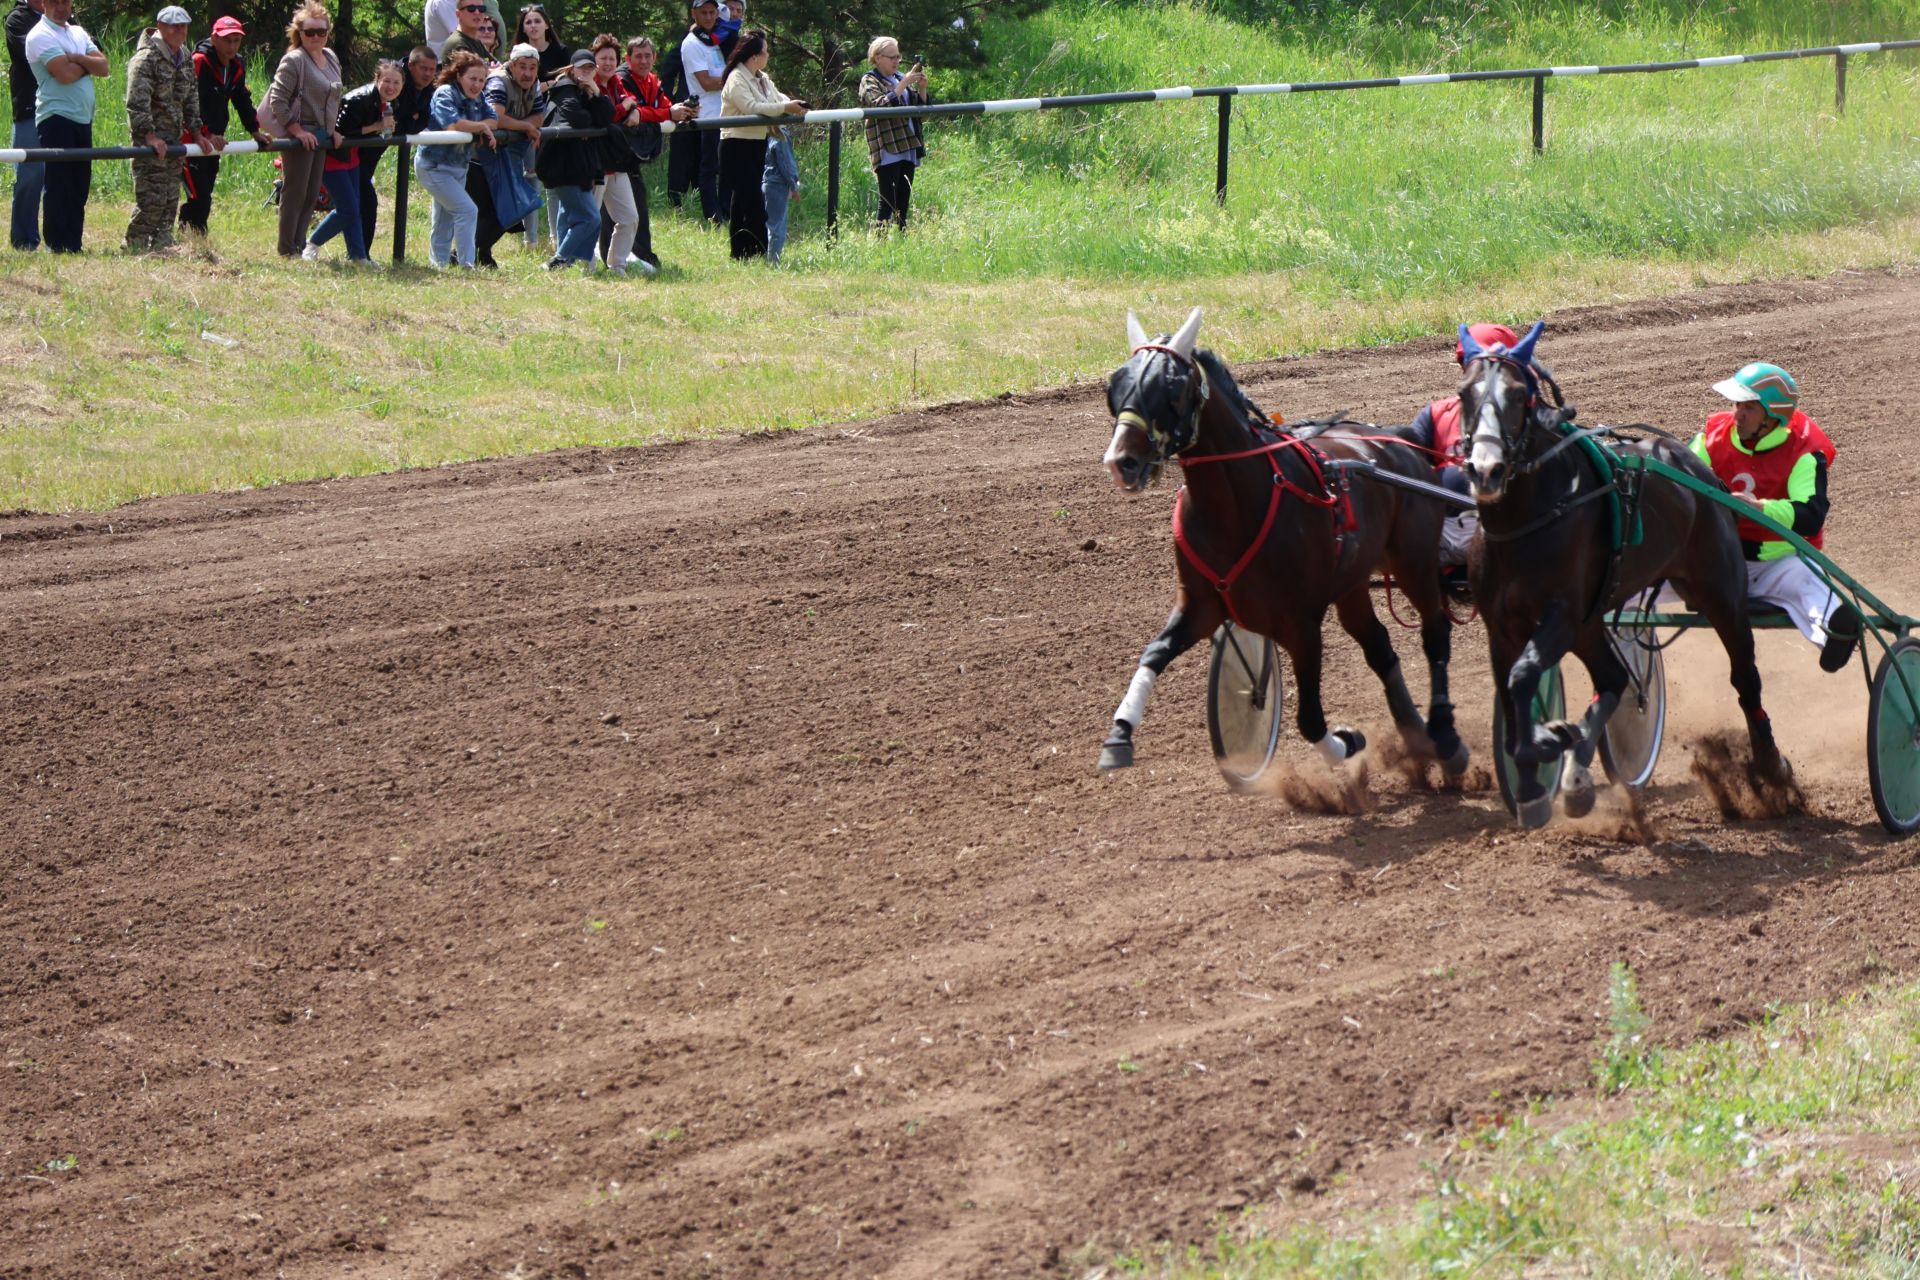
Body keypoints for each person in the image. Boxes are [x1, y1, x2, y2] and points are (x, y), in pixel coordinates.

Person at [1691, 363, 1860, 672]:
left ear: (1772, 416)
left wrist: (1761, 509)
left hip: (1779, 564)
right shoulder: (1712, 437)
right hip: (1718, 563)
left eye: (1749, 408)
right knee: (1639, 578)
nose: (1737, 414)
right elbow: (1681, 480)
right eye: (1736, 404)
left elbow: (1811, 515)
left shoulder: (1805, 451)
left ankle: (1835, 629)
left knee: (1806, 582)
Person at [1402, 322, 1519, 598]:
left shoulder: (1525, 415)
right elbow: (1408, 459)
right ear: (1464, 366)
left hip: (1505, 540)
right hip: (1441, 539)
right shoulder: (1436, 414)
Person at [123, 5, 216, 251]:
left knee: (169, 200)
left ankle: (162, 247)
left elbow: (190, 99)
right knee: (151, 200)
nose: (180, 31)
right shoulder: (146, 59)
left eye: (184, 26)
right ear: (161, 26)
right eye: (174, 26)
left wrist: (196, 132)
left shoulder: (184, 56)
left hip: (174, 141)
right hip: (150, 142)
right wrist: (148, 135)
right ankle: (135, 246)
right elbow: (136, 102)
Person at [24, 0, 107, 253]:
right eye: (54, 2)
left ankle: (74, 243)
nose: (61, 7)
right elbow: (65, 75)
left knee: (80, 183)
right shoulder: (39, 35)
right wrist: (86, 65)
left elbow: (103, 67)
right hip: (56, 116)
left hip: (83, 117)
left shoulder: (77, 32)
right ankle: (57, 245)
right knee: (60, 183)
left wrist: (78, 58)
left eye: (66, 2)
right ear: (43, 4)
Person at [717, 28, 802, 261]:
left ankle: (740, 254)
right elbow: (751, 107)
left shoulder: (761, 78)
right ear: (754, 56)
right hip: (735, 146)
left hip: (756, 144)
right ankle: (759, 253)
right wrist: (786, 108)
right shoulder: (736, 78)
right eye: (765, 52)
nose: (768, 56)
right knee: (754, 204)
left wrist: (794, 104)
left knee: (741, 204)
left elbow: (777, 97)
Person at [265, 1, 342, 258]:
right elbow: (278, 101)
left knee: (312, 195)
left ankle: (299, 245)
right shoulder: (294, 60)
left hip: (322, 135)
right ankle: (287, 249)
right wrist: (297, 131)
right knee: (295, 192)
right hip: (300, 135)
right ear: (299, 33)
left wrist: (334, 129)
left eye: (322, 31)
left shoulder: (329, 56)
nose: (317, 37)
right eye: (310, 32)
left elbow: (333, 98)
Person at [178, 15, 266, 237]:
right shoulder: (199, 62)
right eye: (228, 40)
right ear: (214, 39)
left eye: (237, 40)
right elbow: (189, 102)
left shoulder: (237, 65)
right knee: (200, 194)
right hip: (189, 138)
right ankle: (193, 238)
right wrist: (205, 133)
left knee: (205, 189)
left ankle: (191, 237)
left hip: (214, 139)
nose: (232, 46)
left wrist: (255, 130)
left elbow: (242, 100)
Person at [305, 58, 398, 263]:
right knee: (348, 209)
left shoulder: (388, 103)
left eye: (397, 83)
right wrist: (377, 126)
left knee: (355, 208)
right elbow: (342, 132)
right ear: (377, 79)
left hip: (352, 159)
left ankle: (358, 256)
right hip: (334, 158)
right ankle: (311, 244)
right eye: (387, 81)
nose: (391, 87)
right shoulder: (358, 99)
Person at [414, 48, 496, 268]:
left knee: (444, 219)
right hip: (434, 165)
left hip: (459, 166)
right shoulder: (445, 93)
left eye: (481, 80)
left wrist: (483, 127)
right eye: (472, 78)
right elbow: (452, 123)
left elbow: (494, 119)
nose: (477, 84)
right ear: (459, 76)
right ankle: (467, 264)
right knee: (467, 210)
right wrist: (480, 127)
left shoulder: (478, 98)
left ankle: (438, 264)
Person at [616, 35, 690, 270]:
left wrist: (682, 111)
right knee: (610, 213)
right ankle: (621, 257)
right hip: (610, 156)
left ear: (655, 57)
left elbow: (664, 107)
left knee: (636, 208)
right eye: (638, 56)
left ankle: (640, 255)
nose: (644, 61)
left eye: (648, 56)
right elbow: (632, 112)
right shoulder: (620, 80)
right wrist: (668, 114)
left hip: (629, 158)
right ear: (628, 59)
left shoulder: (652, 81)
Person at [533, 47, 610, 270]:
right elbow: (579, 119)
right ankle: (559, 260)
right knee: (590, 218)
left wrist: (595, 91)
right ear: (571, 69)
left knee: (569, 217)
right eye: (582, 68)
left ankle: (564, 261)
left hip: (577, 166)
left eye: (590, 68)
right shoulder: (564, 88)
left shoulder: (584, 90)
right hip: (563, 166)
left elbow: (606, 117)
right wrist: (592, 115)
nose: (586, 72)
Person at [472, 42, 541, 266]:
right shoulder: (498, 82)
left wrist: (520, 126)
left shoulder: (534, 84)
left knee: (511, 207)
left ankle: (478, 252)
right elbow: (495, 118)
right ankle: (472, 253)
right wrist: (525, 127)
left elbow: (539, 117)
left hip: (506, 155)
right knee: (493, 209)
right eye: (522, 66)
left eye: (532, 67)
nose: (527, 73)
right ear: (512, 66)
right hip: (480, 156)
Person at [586, 32, 642, 272]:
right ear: (594, 59)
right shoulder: (589, 84)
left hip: (616, 164)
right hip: (595, 163)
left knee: (629, 217)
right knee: (590, 218)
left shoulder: (615, 82)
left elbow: (629, 100)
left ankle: (617, 264)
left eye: (612, 59)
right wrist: (625, 107)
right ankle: (585, 265)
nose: (608, 63)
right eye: (603, 58)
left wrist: (634, 108)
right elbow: (604, 115)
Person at [859, 36, 926, 230]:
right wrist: (904, 84)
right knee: (887, 202)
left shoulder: (898, 78)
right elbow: (880, 105)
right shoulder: (869, 80)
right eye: (892, 57)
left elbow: (921, 114)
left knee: (903, 203)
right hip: (887, 147)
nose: (896, 61)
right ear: (877, 57)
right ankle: (879, 244)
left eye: (898, 56)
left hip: (908, 145)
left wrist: (922, 89)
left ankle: (901, 242)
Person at [678, 0, 726, 222]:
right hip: (708, 115)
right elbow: (706, 82)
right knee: (709, 167)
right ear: (693, 14)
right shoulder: (691, 44)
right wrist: (735, 81)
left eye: (712, 12)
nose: (708, 17)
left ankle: (725, 210)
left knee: (724, 166)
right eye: (703, 12)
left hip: (724, 112)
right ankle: (712, 215)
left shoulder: (713, 39)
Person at [6, 0, 46, 250]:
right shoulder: (17, 19)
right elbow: (31, 54)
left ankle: (61, 239)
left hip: (62, 111)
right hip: (30, 109)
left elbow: (93, 47)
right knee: (30, 176)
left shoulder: (64, 16)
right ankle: (24, 240)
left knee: (62, 176)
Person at [761, 121, 797, 263]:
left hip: (767, 181)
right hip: (777, 184)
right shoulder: (781, 137)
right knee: (777, 227)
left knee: (769, 224)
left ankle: (766, 257)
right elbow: (786, 164)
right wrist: (794, 185)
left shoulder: (767, 134)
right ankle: (773, 261)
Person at [424, 0, 501, 59]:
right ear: (458, 14)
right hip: (441, 65)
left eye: (481, 9)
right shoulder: (443, 2)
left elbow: (495, 65)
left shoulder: (475, 41)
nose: (477, 12)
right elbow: (457, 29)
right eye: (471, 9)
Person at [514, 2, 568, 77]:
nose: (533, 25)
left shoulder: (561, 51)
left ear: (546, 25)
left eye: (537, 21)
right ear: (523, 29)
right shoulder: (518, 54)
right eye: (528, 22)